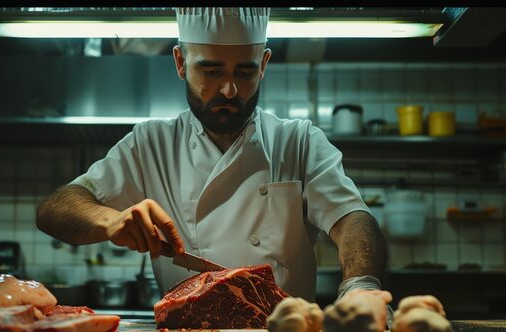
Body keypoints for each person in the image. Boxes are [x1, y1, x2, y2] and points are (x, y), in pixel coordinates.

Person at [36, 7, 388, 307]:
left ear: (264, 64)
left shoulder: (298, 141)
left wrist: (361, 286)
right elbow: (55, 209)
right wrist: (109, 221)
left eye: (245, 72)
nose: (229, 89)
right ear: (180, 62)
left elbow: (353, 220)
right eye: (211, 70)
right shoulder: (151, 143)